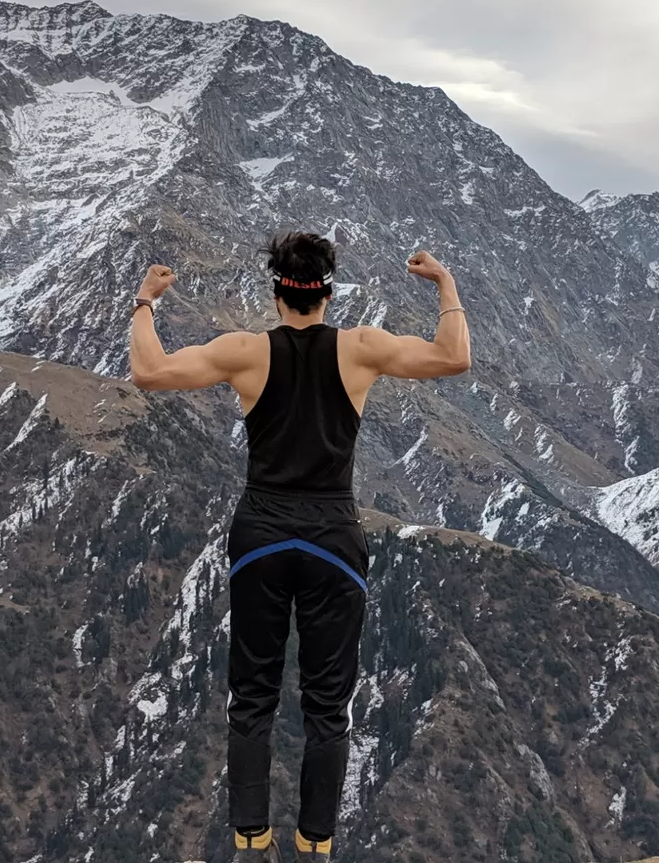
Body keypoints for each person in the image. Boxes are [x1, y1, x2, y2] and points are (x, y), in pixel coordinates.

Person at [127, 231, 471, 861]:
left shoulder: (245, 353)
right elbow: (453, 358)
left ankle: (252, 843)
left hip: (260, 532)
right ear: (327, 294)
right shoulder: (362, 348)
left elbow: (149, 373)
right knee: (326, 706)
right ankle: (315, 847)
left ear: (277, 292)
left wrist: (145, 302)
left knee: (252, 697)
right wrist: (445, 286)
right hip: (333, 538)